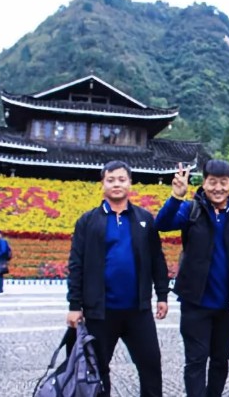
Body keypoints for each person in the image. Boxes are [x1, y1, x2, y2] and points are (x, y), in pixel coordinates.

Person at [66, 160, 169, 397]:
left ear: (130, 183)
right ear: (102, 184)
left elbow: (157, 259)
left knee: (151, 366)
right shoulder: (88, 221)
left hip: (138, 310)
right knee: (97, 370)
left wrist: (162, 295)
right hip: (100, 312)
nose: (116, 184)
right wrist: (74, 305)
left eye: (122, 179)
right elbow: (76, 264)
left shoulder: (144, 219)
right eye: (110, 180)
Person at [155, 159, 229, 397]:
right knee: (196, 360)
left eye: (223, 182)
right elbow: (161, 224)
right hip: (195, 301)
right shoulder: (191, 209)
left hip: (226, 303)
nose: (218, 188)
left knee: (220, 360)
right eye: (212, 182)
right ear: (204, 183)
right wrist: (176, 197)